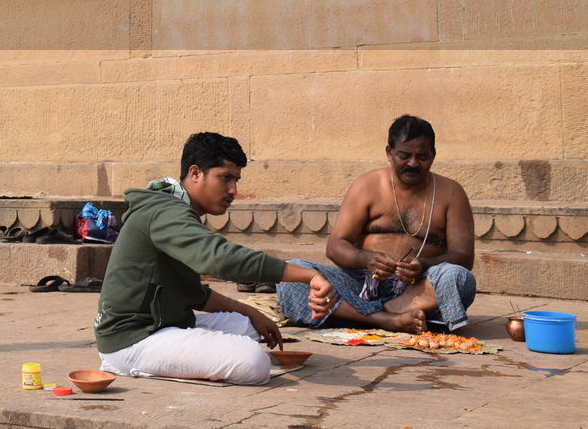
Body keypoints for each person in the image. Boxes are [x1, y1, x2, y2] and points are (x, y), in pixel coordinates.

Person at [95, 132, 335, 385]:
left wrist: (250, 311)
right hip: (132, 341)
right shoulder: (164, 212)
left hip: (165, 325)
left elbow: (195, 294)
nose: (233, 190)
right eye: (225, 178)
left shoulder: (175, 210)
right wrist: (306, 275)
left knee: (249, 326)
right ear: (196, 173)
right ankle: (142, 365)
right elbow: (220, 259)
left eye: (236, 180)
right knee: (254, 363)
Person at [277, 115, 476, 334]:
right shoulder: (368, 185)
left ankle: (366, 315)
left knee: (459, 278)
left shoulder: (451, 193)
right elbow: (335, 247)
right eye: (404, 155)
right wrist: (367, 259)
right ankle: (385, 320)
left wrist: (423, 264)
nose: (413, 163)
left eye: (422, 157)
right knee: (292, 272)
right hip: (360, 284)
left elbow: (463, 257)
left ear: (434, 155)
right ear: (389, 152)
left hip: (418, 289)